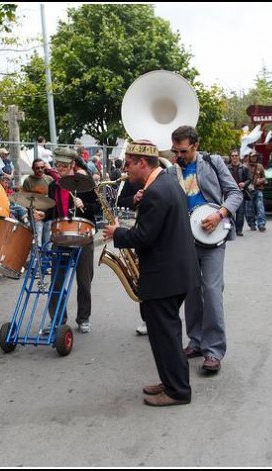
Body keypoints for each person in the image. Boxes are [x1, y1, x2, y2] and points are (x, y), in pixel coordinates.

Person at [103, 140, 199, 407]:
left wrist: (117, 233)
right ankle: (171, 381)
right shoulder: (166, 184)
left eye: (128, 164)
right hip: (175, 273)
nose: (126, 170)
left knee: (165, 336)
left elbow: (144, 236)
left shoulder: (157, 191)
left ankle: (178, 391)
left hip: (164, 277)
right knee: (166, 334)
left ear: (142, 163)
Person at [170, 125, 243, 374]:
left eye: (183, 151)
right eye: (175, 150)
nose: (179, 155)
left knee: (211, 292)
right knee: (191, 292)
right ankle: (197, 341)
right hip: (185, 240)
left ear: (195, 146)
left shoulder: (213, 163)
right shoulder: (172, 170)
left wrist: (220, 214)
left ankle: (213, 351)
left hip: (213, 238)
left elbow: (235, 193)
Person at [35, 147, 99, 334]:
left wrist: (84, 205)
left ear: (72, 164)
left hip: (83, 236)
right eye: (58, 165)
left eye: (64, 165)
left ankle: (83, 318)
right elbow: (52, 210)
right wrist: (42, 214)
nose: (60, 168)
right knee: (57, 281)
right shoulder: (54, 186)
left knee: (84, 281)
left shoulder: (85, 183)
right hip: (61, 237)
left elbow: (98, 207)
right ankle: (57, 319)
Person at [22, 159, 54, 247]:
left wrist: (48, 213)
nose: (40, 170)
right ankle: (37, 260)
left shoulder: (49, 179)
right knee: (37, 243)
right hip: (35, 215)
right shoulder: (28, 180)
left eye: (42, 167)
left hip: (47, 214)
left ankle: (47, 260)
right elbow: (25, 199)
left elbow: (53, 198)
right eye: (37, 168)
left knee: (48, 242)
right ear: (33, 168)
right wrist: (34, 212)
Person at [227, 150, 250, 237]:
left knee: (240, 213)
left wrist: (244, 184)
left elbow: (249, 179)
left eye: (236, 155)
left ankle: (239, 230)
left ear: (239, 156)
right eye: (232, 156)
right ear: (231, 157)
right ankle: (229, 230)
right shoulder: (226, 168)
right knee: (229, 213)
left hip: (241, 193)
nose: (234, 157)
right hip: (229, 193)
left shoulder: (244, 168)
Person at [245, 151, 267, 232]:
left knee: (260, 207)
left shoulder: (260, 166)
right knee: (249, 209)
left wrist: (260, 180)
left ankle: (261, 224)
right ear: (249, 157)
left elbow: (265, 178)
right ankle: (252, 224)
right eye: (252, 156)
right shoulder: (245, 166)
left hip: (258, 190)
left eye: (255, 156)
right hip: (248, 190)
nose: (254, 158)